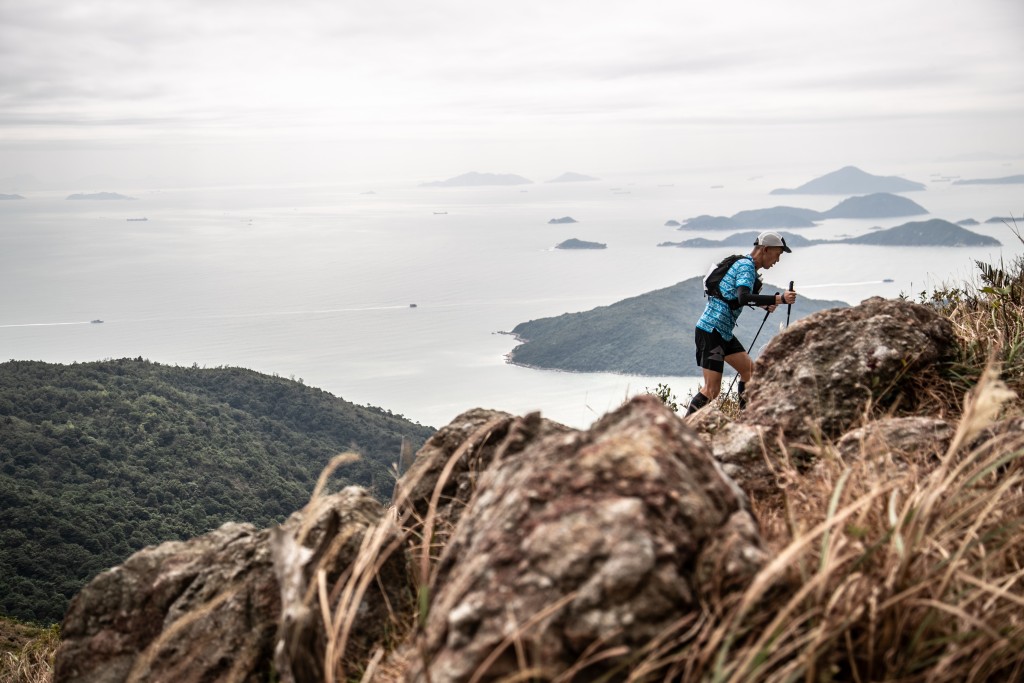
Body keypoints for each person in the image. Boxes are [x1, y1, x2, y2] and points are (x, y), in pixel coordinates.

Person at [685, 231, 797, 416]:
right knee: (712, 390)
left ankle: (745, 419)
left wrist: (764, 304)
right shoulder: (746, 266)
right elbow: (743, 297)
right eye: (777, 254)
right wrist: (780, 299)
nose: (777, 260)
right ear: (766, 249)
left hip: (722, 332)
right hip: (712, 330)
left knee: (750, 372)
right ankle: (685, 428)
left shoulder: (746, 266)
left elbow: (734, 297)